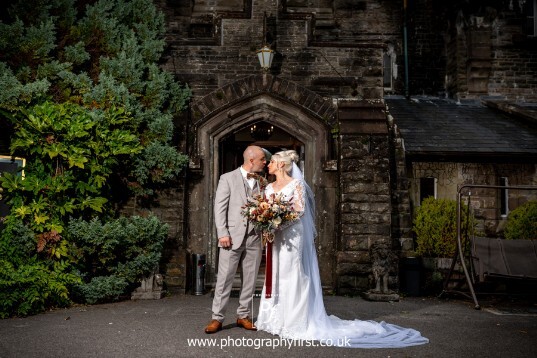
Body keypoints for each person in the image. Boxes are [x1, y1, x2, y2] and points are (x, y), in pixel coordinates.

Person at [255, 150, 429, 348]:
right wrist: (268, 223)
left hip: (293, 234)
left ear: (280, 164)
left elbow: (300, 210)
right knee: (276, 272)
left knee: (293, 272)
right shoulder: (268, 188)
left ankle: (294, 320)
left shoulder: (296, 184)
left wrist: (278, 224)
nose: (267, 165)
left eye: (271, 162)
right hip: (276, 237)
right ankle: (274, 318)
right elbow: (265, 209)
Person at [204, 145, 268, 334]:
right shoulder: (227, 178)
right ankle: (217, 318)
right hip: (230, 238)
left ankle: (243, 315)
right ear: (251, 160)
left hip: (255, 237)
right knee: (224, 279)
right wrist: (222, 233)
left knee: (250, 279)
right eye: (262, 159)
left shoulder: (262, 182)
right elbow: (219, 208)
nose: (265, 162)